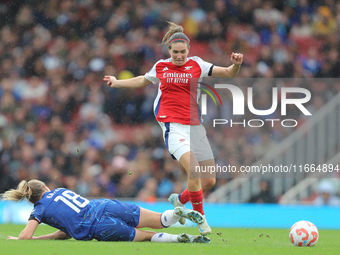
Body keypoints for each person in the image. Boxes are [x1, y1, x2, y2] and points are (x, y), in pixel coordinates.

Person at [103, 22, 243, 235]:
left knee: (208, 180)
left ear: (188, 50)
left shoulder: (197, 64)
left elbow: (228, 73)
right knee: (194, 171)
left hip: (195, 127)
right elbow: (143, 80)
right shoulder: (161, 66)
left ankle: (180, 199)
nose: (179, 55)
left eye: (183, 52)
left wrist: (236, 65)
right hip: (173, 126)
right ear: (169, 51)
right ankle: (201, 219)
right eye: (175, 52)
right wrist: (117, 82)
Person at [1, 179, 210, 243]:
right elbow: (65, 232)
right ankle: (175, 213)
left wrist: (20, 240)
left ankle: (181, 239)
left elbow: (26, 236)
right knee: (158, 219)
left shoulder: (40, 208)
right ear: (46, 187)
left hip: (99, 226)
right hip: (104, 205)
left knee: (148, 236)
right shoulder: (60, 191)